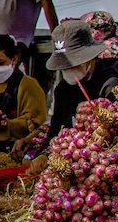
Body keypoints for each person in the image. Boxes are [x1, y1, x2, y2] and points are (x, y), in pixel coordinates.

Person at [15, 20, 118, 173]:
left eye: (73, 65)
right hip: (73, 161)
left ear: (89, 58)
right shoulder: (62, 90)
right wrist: (43, 155)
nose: (68, 71)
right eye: (64, 67)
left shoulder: (111, 83)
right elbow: (57, 129)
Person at [0, 34, 47, 153]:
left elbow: (37, 124)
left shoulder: (28, 85)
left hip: (16, 151)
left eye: (0, 62)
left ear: (14, 59)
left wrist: (4, 125)